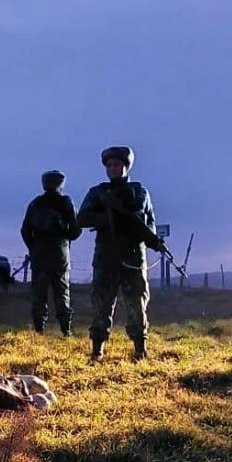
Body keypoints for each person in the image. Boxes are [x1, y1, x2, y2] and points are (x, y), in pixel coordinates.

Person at [76, 145, 167, 361]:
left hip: (133, 256)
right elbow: (82, 219)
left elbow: (149, 223)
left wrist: (153, 240)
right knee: (101, 303)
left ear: (126, 166)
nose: (112, 169)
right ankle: (97, 351)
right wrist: (108, 219)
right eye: (109, 165)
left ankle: (140, 350)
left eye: (117, 164)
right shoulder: (98, 193)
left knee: (137, 302)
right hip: (106, 255)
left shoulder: (141, 193)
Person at [20, 169, 82, 335]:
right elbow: (76, 230)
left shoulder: (35, 203)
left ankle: (39, 327)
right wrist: (65, 238)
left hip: (39, 254)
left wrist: (33, 247)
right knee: (62, 292)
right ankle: (66, 329)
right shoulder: (66, 202)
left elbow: (25, 230)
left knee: (39, 294)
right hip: (60, 253)